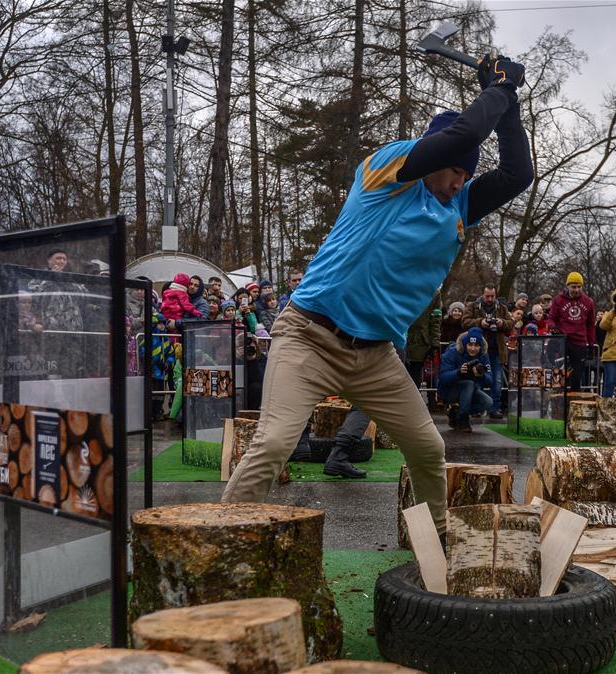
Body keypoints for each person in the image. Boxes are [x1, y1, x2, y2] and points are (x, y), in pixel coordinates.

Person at [221, 55, 533, 536]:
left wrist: (507, 98)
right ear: (433, 154)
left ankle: (429, 546)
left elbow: (517, 174)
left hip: (375, 356)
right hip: (309, 336)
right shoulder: (388, 171)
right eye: (453, 171)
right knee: (273, 443)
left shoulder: (458, 204)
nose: (459, 182)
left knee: (429, 448)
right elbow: (464, 136)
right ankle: (222, 546)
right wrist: (496, 88)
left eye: (465, 175)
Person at [461, 284, 513, 419]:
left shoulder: (501, 308)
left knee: (497, 380)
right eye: (487, 296)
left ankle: (495, 409)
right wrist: (480, 323)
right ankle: (477, 408)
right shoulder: (473, 306)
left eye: (492, 296)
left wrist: (502, 323)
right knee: (477, 379)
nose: (490, 299)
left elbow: (510, 323)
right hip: (478, 350)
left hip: (496, 350)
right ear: (482, 295)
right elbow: (464, 322)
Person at [546, 272, 596, 392]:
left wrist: (591, 344)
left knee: (576, 375)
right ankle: (557, 400)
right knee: (559, 373)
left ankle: (573, 402)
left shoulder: (588, 302)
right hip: (563, 340)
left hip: (579, 342)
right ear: (567, 286)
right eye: (573, 287)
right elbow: (550, 318)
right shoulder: (559, 299)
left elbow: (591, 325)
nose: (576, 289)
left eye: (579, 287)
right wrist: (553, 328)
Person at [437, 328, 493, 432]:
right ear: (465, 344)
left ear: (480, 346)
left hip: (471, 391)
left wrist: (481, 375)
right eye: (470, 345)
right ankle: (463, 420)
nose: (473, 348)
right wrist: (458, 372)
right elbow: (442, 377)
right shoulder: (453, 352)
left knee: (488, 402)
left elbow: (490, 380)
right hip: (449, 391)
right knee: (468, 383)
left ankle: (456, 413)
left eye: (476, 345)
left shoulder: (484, 355)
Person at [405, 292, 442, 408]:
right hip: (400, 339)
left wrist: (435, 343)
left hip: (420, 342)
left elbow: (436, 320)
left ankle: (411, 409)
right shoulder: (403, 284)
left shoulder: (434, 293)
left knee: (415, 379)